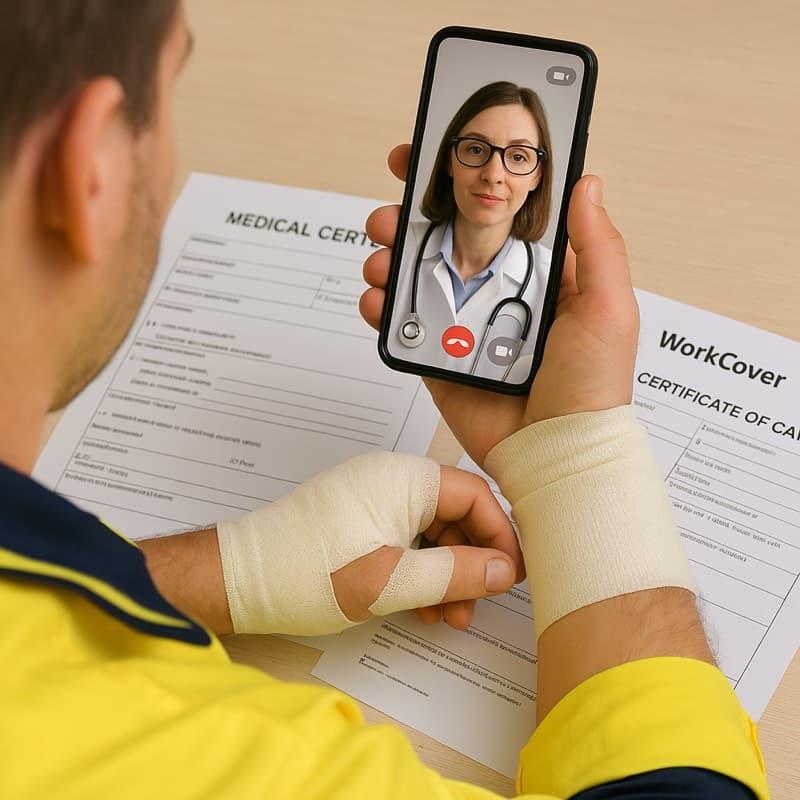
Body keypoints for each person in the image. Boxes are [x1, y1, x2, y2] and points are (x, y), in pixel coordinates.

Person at [0, 3, 769, 799]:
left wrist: (225, 574)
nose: (495, 171)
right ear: (86, 165)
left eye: (520, 156)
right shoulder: (221, 766)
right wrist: (579, 462)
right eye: (171, 92)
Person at [390, 81, 552, 384]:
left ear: (537, 176)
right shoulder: (396, 250)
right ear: (450, 160)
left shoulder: (554, 283)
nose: (493, 174)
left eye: (518, 157)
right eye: (476, 149)